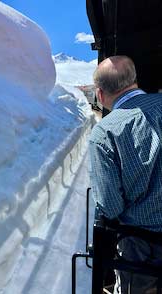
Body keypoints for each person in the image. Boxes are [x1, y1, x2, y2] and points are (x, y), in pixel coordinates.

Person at [89, 55, 162, 293]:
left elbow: (110, 206)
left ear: (100, 95)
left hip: (141, 246)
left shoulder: (104, 133)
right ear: (135, 81)